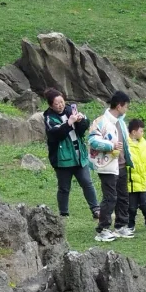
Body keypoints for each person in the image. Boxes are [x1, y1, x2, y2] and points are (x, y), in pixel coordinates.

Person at [43, 88, 99, 221]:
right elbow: (56, 134)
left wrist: (81, 120)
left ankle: (96, 210)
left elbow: (82, 130)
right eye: (57, 103)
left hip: (79, 154)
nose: (61, 105)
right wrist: (69, 122)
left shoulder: (71, 110)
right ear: (51, 105)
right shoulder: (49, 117)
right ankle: (63, 213)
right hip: (62, 159)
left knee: (87, 182)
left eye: (62, 101)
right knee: (64, 188)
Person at [88, 90, 132, 242]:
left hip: (120, 164)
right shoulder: (101, 121)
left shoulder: (120, 122)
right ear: (119, 106)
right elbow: (92, 140)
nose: (127, 109)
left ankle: (120, 226)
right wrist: (111, 145)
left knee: (123, 196)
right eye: (126, 106)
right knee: (110, 198)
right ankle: (103, 229)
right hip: (107, 165)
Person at [126, 118, 146, 229]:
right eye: (141, 131)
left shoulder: (145, 144)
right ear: (134, 132)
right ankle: (130, 224)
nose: (143, 133)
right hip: (131, 182)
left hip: (145, 181)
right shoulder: (126, 144)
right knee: (131, 206)